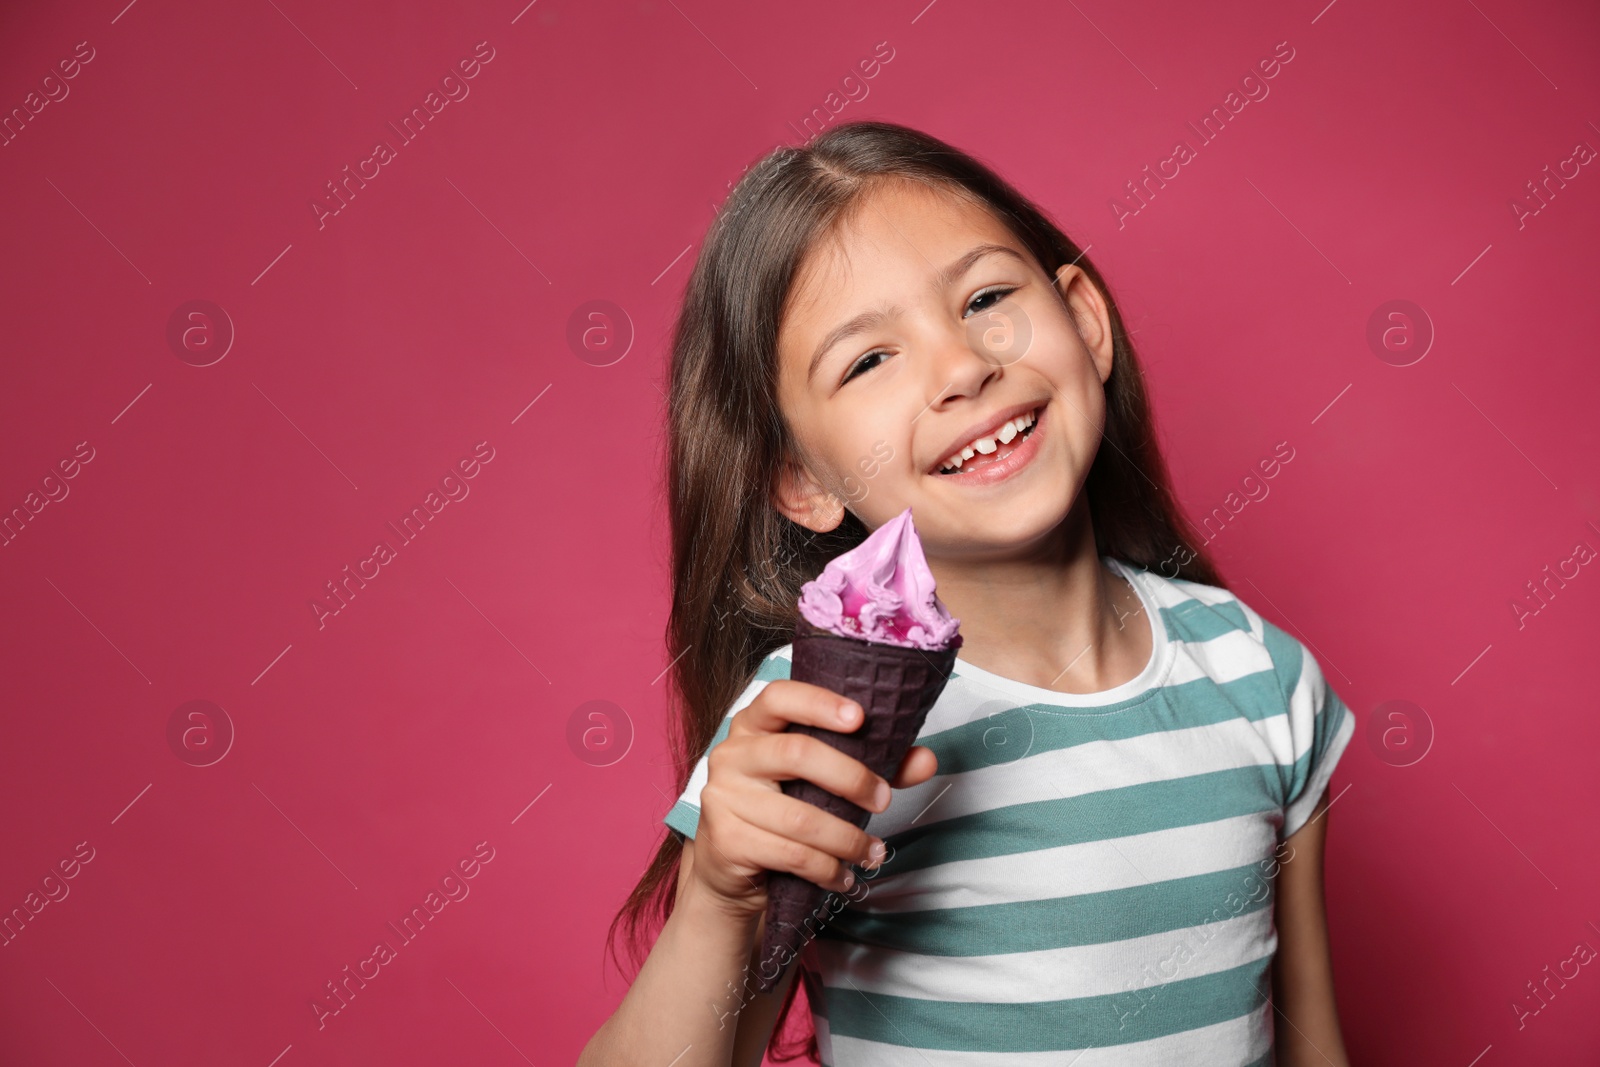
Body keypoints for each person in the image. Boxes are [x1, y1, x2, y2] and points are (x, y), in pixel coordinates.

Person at [579, 120, 1355, 1067]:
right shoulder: (813, 728)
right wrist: (717, 896)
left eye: (986, 298)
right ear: (801, 479)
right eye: (868, 358)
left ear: (1084, 320)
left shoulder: (1266, 680)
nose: (962, 368)